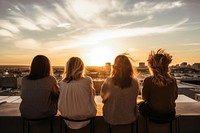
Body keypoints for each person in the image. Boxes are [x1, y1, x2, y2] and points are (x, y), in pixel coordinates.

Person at [139, 49, 178, 123]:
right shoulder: (173, 80)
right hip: (169, 115)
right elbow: (175, 97)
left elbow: (145, 98)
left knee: (140, 105)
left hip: (155, 115)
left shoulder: (148, 80)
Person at [58, 57, 97, 129]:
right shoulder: (87, 80)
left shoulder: (62, 83)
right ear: (81, 68)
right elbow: (92, 96)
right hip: (86, 117)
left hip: (67, 117)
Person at [100, 54, 139, 125]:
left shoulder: (108, 81)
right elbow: (134, 97)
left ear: (115, 67)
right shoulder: (135, 82)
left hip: (111, 118)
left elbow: (103, 97)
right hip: (130, 118)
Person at [20, 55, 59, 119]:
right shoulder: (50, 79)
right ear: (47, 67)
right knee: (55, 95)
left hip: (25, 113)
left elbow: (23, 95)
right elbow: (57, 94)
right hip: (45, 114)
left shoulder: (24, 79)